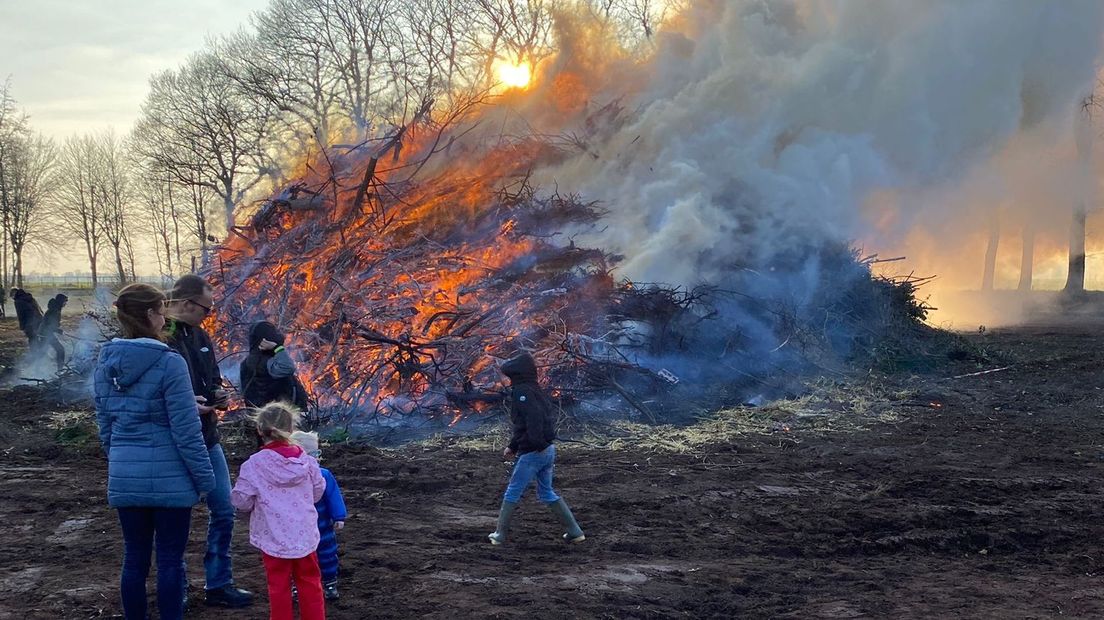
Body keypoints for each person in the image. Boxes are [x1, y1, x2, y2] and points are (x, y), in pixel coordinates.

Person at [94, 283, 215, 620]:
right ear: (149, 314)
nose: (165, 318)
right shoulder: (170, 363)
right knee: (170, 560)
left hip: (125, 477)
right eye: (162, 311)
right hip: (171, 481)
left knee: (134, 559)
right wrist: (205, 480)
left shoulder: (106, 362)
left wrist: (120, 460)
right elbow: (186, 430)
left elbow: (105, 425)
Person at [164, 274, 253, 608]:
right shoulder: (162, 337)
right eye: (206, 308)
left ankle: (219, 583)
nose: (209, 315)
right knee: (178, 517)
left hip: (208, 436)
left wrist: (217, 393)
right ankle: (178, 587)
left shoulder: (200, 335)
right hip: (175, 442)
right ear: (187, 303)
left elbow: (211, 377)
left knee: (224, 509)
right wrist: (189, 405)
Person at [231, 403, 327, 620]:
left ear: (259, 430)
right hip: (304, 534)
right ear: (291, 430)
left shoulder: (254, 465)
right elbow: (318, 490)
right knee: (311, 583)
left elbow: (241, 500)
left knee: (278, 587)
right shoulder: (307, 461)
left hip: (274, 537)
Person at [488, 352, 585, 545]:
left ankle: (499, 534)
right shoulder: (534, 389)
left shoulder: (521, 392)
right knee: (546, 492)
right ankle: (575, 531)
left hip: (535, 452)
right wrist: (512, 446)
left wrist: (534, 444)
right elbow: (525, 424)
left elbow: (532, 420)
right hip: (548, 449)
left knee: (513, 491)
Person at [290, 431, 347, 601]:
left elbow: (333, 496)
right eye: (314, 453)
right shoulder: (290, 477)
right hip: (298, 529)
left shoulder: (324, 475)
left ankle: (329, 584)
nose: (318, 457)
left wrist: (338, 516)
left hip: (322, 527)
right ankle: (297, 586)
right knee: (298, 557)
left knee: (327, 555)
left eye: (317, 453)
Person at [240, 321, 309, 410]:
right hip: (280, 416)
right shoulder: (264, 361)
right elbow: (288, 368)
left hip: (266, 415)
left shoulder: (246, 362)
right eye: (273, 332)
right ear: (265, 340)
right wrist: (278, 348)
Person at [37, 293, 68, 371]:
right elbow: (50, 325)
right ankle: (60, 370)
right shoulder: (55, 310)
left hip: (44, 333)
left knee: (42, 352)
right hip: (45, 334)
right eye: (65, 302)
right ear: (61, 301)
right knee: (60, 350)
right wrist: (59, 330)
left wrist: (57, 329)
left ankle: (35, 368)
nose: (65, 304)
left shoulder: (55, 308)